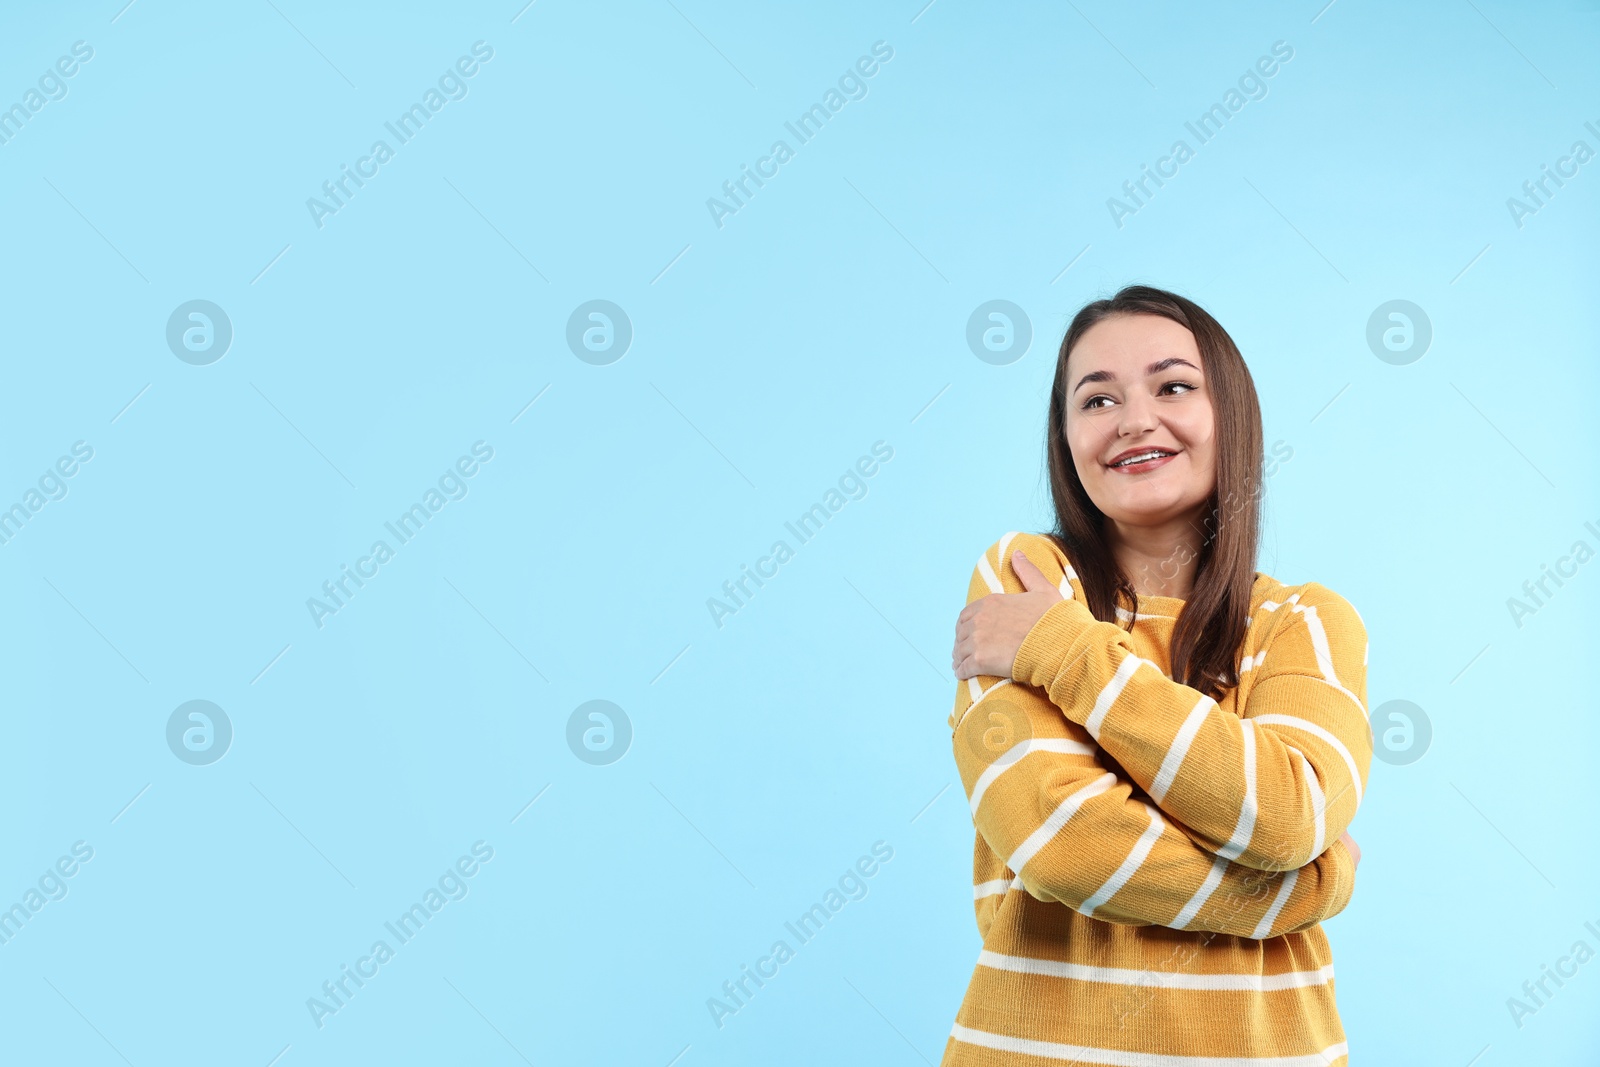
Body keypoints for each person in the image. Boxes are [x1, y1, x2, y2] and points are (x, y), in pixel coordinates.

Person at [943, 285, 1371, 1064]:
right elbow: (1063, 843)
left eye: (1172, 385)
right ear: (1066, 439)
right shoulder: (1025, 580)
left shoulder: (1305, 621)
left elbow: (1287, 813)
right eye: (1096, 398)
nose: (1134, 418)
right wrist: (1309, 886)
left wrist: (1064, 652)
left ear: (1230, 416)